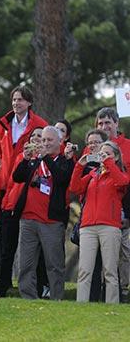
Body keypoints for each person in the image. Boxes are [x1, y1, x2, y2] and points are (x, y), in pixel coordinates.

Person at [0, 85, 47, 289]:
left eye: (20, 100)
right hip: (5, 185)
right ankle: (2, 281)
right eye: (14, 100)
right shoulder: (3, 124)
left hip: (26, 187)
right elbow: (0, 151)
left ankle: (38, 284)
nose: (16, 103)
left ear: (29, 102)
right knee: (5, 239)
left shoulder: (39, 124)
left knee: (32, 241)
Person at [13, 126, 74, 300]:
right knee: (25, 263)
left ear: (59, 142)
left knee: (54, 264)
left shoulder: (64, 160)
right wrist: (25, 159)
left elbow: (62, 178)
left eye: (49, 140)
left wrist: (46, 158)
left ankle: (57, 298)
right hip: (28, 219)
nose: (45, 143)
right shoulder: (35, 160)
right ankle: (28, 297)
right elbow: (17, 177)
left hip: (51, 221)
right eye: (43, 140)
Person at [70, 141, 129, 303]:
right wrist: (80, 166)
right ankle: (81, 305)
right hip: (88, 227)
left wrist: (108, 163)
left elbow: (123, 182)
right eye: (101, 153)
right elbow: (75, 188)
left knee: (110, 271)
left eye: (107, 153)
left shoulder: (119, 173)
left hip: (109, 226)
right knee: (84, 270)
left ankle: (112, 304)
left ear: (116, 157)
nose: (103, 156)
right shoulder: (93, 174)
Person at [0, 127, 43, 297]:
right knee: (7, 251)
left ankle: (34, 289)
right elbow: (12, 182)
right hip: (12, 206)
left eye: (40, 136)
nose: (36, 139)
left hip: (31, 211)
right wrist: (6, 203)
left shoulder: (45, 160)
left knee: (31, 253)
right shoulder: (21, 157)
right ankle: (1, 287)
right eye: (33, 136)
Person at [94, 108, 130, 302]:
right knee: (103, 255)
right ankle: (103, 292)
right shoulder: (94, 146)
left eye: (108, 122)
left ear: (117, 123)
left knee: (125, 253)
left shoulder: (128, 146)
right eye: (100, 123)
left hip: (124, 207)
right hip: (99, 210)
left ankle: (123, 290)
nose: (104, 127)